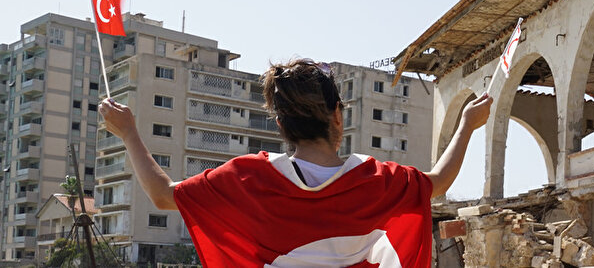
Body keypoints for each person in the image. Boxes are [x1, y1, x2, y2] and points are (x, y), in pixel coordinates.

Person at [99, 58, 492, 267]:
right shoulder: (377, 181)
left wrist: (129, 132)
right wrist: (467, 124)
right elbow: (438, 180)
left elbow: (163, 195)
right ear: (337, 115)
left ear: (281, 125)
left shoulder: (249, 179)